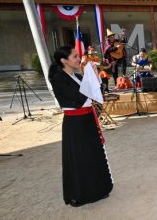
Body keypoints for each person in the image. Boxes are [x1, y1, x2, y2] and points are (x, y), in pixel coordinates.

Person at [48, 46, 113, 207]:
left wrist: (96, 81)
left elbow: (92, 94)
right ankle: (80, 194)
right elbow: (76, 101)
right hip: (75, 124)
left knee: (93, 155)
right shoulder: (58, 79)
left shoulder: (76, 76)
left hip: (88, 119)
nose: (79, 59)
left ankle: (99, 189)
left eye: (78, 56)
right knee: (80, 159)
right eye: (75, 56)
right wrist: (89, 82)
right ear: (64, 60)